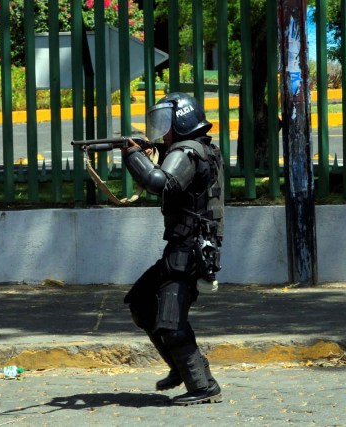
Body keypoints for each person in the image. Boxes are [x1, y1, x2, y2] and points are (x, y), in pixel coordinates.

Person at [121, 92, 225, 406]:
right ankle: (183, 370)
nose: (159, 131)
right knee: (141, 302)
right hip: (183, 247)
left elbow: (159, 182)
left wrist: (131, 157)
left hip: (190, 250)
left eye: (163, 124)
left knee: (170, 321)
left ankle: (202, 385)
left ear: (180, 122)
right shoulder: (198, 148)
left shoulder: (189, 152)